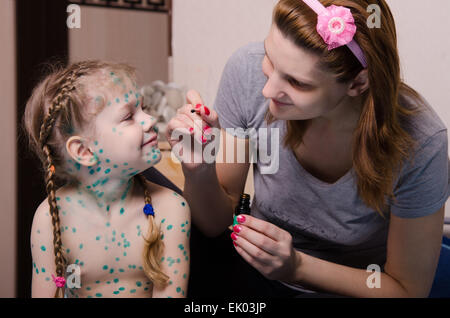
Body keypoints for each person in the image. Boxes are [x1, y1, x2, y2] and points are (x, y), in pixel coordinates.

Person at [167, 0, 449, 297]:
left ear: (358, 82)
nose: (267, 90)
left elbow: (406, 290)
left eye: (296, 82)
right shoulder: (247, 72)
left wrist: (297, 267)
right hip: (255, 275)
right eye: (270, 59)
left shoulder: (421, 141)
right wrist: (198, 169)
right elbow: (214, 223)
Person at [24, 61, 190, 298]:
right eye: (129, 116)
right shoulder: (51, 220)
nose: (150, 120)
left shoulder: (170, 209)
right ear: (84, 151)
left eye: (143, 108)